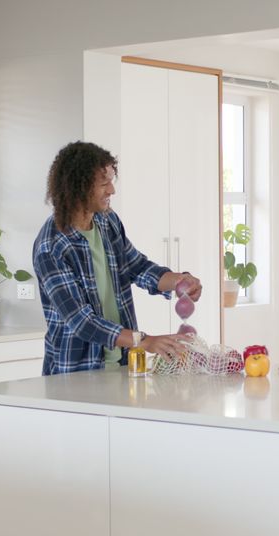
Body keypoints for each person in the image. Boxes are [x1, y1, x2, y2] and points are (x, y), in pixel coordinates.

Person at [33, 141, 202, 375]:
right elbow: (81, 321)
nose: (112, 190)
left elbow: (137, 267)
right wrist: (144, 341)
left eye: (111, 181)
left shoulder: (107, 221)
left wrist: (180, 281)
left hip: (123, 365)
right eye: (104, 184)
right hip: (76, 373)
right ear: (78, 187)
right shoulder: (52, 246)